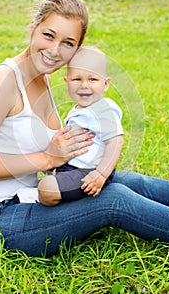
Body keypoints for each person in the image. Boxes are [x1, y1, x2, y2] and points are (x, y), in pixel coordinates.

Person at [0, 0, 169, 258]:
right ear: (33, 28)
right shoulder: (3, 80)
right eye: (48, 35)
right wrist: (46, 158)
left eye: (68, 43)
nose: (55, 51)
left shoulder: (45, 79)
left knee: (129, 181)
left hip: (25, 198)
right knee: (114, 200)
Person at [38, 46, 124, 206]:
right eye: (77, 79)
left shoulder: (102, 108)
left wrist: (100, 174)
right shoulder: (80, 108)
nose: (84, 85)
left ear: (106, 84)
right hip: (71, 167)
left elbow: (116, 142)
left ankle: (77, 207)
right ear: (67, 82)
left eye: (93, 79)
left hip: (88, 172)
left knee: (46, 189)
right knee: (44, 178)